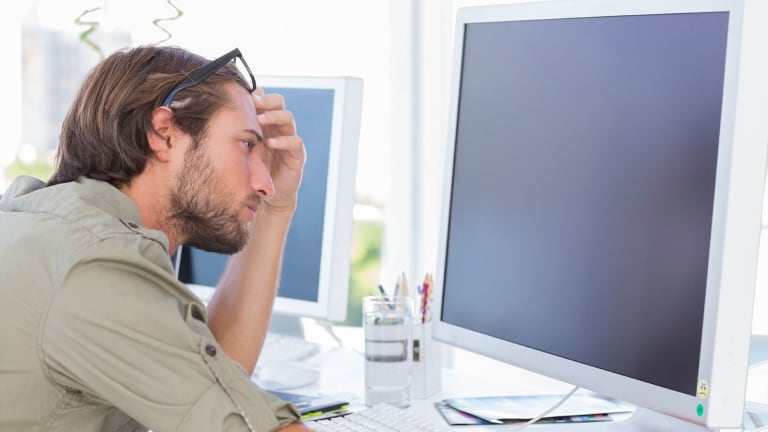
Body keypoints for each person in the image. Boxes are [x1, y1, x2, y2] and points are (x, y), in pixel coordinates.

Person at [0, 45, 314, 431]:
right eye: (247, 145)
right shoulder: (95, 266)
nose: (264, 183)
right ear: (164, 132)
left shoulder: (48, 225)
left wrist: (276, 208)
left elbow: (211, 381)